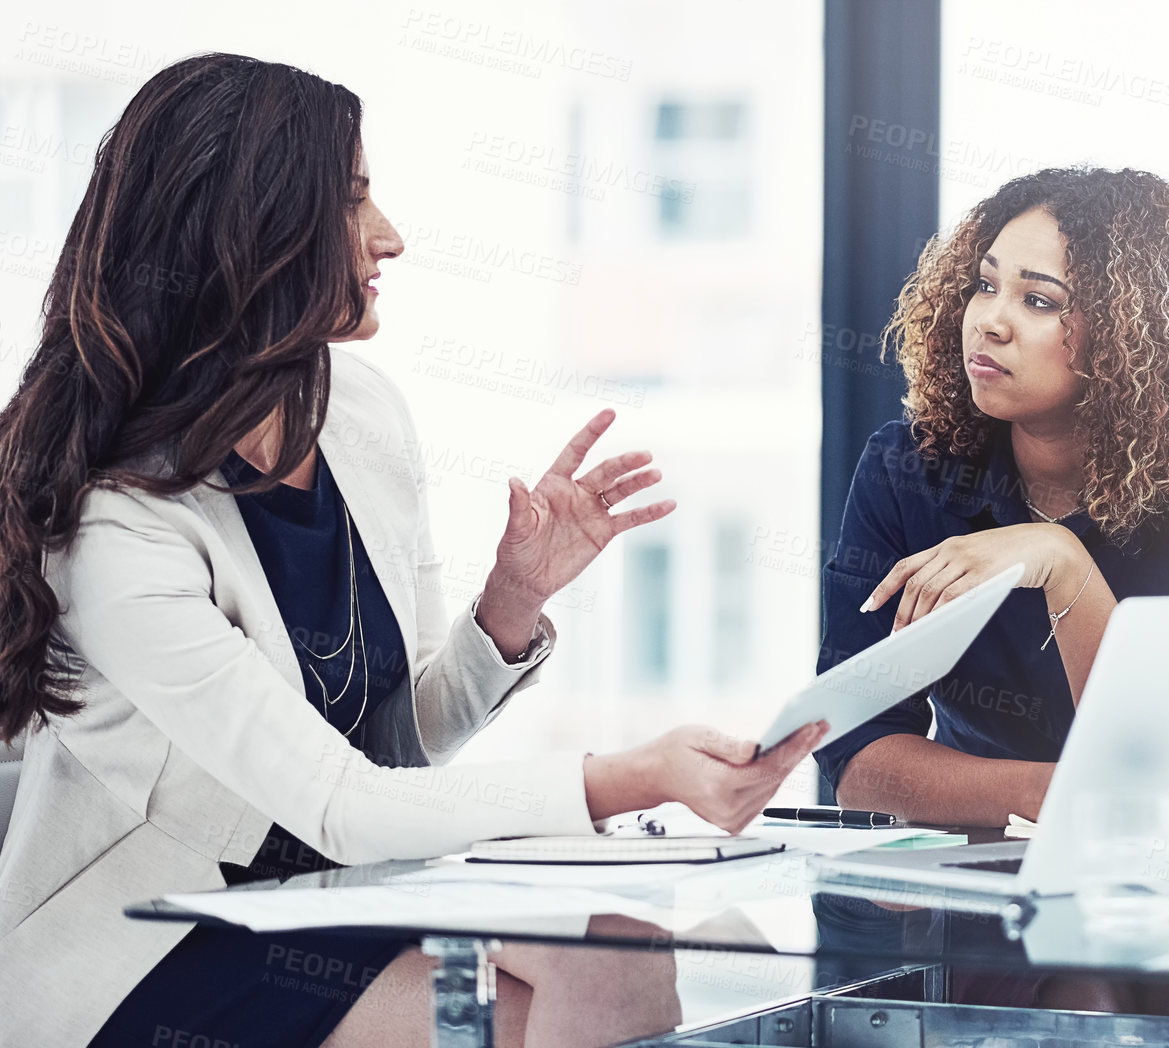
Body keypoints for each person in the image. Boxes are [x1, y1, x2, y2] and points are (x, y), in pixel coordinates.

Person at [0, 54, 824, 1048]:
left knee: (618, 954)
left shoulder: (358, 415)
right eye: (351, 203)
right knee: (542, 1005)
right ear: (251, 234)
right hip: (159, 932)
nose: (390, 236)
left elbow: (386, 747)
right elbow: (346, 801)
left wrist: (508, 604)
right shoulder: (118, 529)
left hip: (331, 884)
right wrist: (638, 773)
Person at [816, 166, 1169, 828]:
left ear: (1139, 338)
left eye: (1038, 301)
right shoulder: (908, 470)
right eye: (985, 286)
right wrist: (1051, 794)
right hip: (964, 884)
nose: (988, 321)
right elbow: (857, 761)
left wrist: (1061, 559)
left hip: (1164, 889)